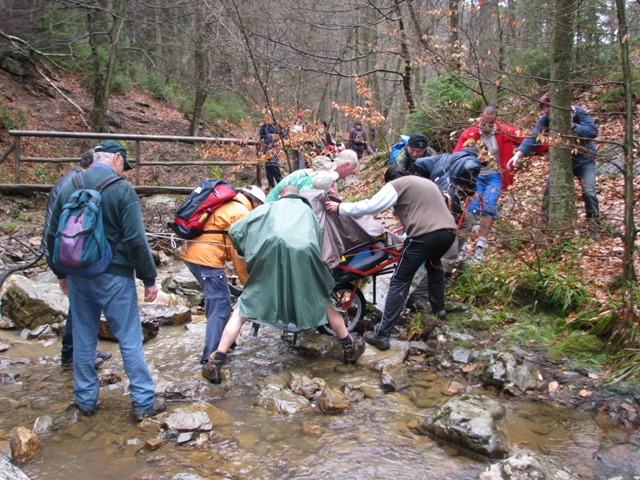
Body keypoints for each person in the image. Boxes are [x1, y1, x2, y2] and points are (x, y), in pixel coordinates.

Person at [46, 140, 166, 421]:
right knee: (129, 338)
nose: (124, 169)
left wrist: (61, 273)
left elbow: (53, 233)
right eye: (124, 163)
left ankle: (86, 401)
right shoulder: (122, 189)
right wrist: (149, 278)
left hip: (77, 274)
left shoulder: (68, 184)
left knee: (84, 339)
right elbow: (137, 239)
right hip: (115, 275)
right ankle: (143, 402)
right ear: (115, 158)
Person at [201, 185, 366, 384]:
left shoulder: (268, 208)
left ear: (281, 196)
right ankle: (349, 347)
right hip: (305, 260)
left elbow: (236, 231)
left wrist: (248, 247)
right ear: (298, 196)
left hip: (270, 260)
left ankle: (216, 363)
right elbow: (318, 239)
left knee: (242, 310)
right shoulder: (309, 212)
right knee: (324, 301)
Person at [325, 166, 456, 350]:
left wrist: (340, 208)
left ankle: (382, 335)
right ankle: (439, 310)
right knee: (434, 266)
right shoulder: (426, 183)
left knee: (399, 280)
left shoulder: (397, 184)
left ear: (388, 182)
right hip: (448, 233)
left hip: (424, 235)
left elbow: (372, 205)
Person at [180, 185, 265, 370]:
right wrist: (248, 283)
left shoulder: (229, 204)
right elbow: (239, 256)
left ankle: (228, 343)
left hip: (193, 254)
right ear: (256, 202)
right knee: (219, 305)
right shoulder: (241, 213)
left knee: (222, 298)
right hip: (206, 259)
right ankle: (210, 358)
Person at [42, 148, 112, 370]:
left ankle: (82, 350)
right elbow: (53, 227)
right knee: (79, 306)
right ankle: (72, 354)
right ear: (93, 165)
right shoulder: (72, 184)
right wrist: (58, 269)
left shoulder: (71, 181)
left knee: (83, 303)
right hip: (69, 252)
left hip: (70, 250)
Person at [507, 92, 599, 220]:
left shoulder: (578, 112)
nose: (545, 111)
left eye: (547, 107)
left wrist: (573, 127)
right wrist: (519, 153)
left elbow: (593, 131)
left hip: (585, 161)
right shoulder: (545, 119)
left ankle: (594, 223)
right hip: (562, 162)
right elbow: (534, 136)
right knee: (549, 192)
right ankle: (546, 223)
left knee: (589, 193)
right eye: (543, 108)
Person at [453, 106, 528, 261]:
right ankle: (462, 245)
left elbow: (527, 141)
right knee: (472, 207)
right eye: (484, 121)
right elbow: (456, 156)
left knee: (490, 203)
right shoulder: (470, 134)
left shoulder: (504, 132)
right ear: (480, 117)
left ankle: (481, 244)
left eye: (490, 122)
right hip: (476, 176)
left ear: (495, 120)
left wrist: (551, 146)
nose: (486, 125)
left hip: (495, 175)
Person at [265, 149, 358, 202]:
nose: (350, 174)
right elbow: (307, 199)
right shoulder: (321, 177)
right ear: (346, 165)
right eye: (352, 169)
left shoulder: (332, 177)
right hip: (273, 206)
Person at [258, 110, 285, 188]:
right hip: (267, 148)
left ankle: (279, 180)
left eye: (269, 115)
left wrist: (281, 148)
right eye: (266, 115)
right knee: (268, 165)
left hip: (276, 148)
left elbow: (284, 137)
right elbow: (260, 134)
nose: (268, 117)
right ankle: (271, 184)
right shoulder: (264, 126)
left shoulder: (278, 126)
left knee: (273, 163)